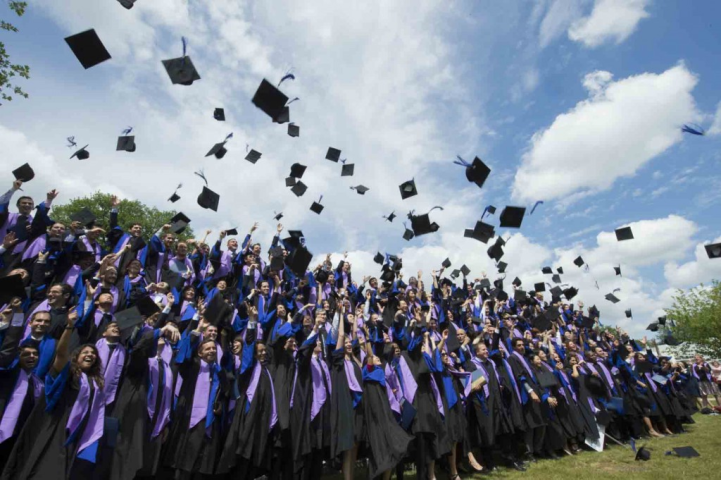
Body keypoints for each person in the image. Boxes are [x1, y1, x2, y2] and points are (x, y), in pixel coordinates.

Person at [1, 306, 106, 479]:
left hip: (76, 432)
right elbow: (61, 354)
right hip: (56, 424)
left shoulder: (95, 382)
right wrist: (69, 327)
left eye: (93, 353)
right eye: (85, 352)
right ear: (76, 357)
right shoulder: (68, 374)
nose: (90, 355)